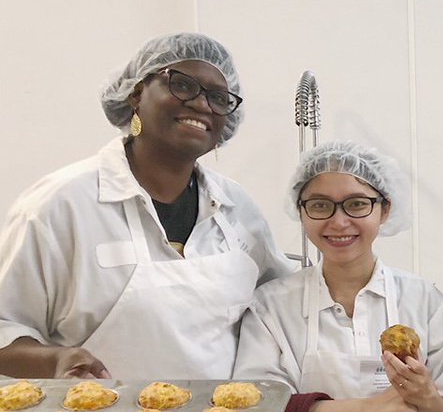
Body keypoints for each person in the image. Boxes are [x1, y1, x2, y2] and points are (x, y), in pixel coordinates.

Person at [0, 33, 290, 380]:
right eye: (182, 85)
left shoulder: (237, 208)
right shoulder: (60, 206)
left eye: (218, 97)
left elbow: (280, 305)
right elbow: (6, 329)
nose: (201, 105)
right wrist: (57, 359)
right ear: (136, 93)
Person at [234, 141, 443, 412]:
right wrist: (371, 408)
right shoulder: (270, 306)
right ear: (301, 212)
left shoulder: (425, 300)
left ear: (385, 210)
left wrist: (425, 396)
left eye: (357, 204)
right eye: (319, 205)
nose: (339, 222)